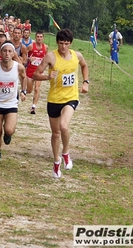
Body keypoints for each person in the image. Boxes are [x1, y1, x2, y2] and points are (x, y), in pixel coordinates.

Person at [32, 28, 89, 179]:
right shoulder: (51, 57)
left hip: (71, 97)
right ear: (57, 42)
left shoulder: (77, 56)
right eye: (61, 43)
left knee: (64, 126)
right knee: (55, 133)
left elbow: (84, 66)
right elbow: (35, 74)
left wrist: (86, 82)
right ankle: (56, 161)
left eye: (66, 43)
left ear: (70, 43)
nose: (63, 46)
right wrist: (47, 77)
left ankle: (66, 153)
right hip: (54, 99)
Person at [0, 41, 27, 164]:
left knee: (9, 130)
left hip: (11, 103)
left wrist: (23, 92)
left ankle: (8, 135)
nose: (7, 53)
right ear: (0, 52)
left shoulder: (18, 67)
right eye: (4, 51)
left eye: (10, 51)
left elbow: (24, 78)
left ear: (13, 53)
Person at [23, 30, 48, 114]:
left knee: (37, 89)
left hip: (39, 71)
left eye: (41, 37)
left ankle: (33, 107)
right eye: (38, 37)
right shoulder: (30, 46)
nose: (39, 38)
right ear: (35, 37)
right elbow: (24, 55)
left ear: (43, 38)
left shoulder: (46, 47)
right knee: (29, 90)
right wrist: (29, 59)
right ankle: (23, 92)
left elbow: (46, 58)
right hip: (30, 71)